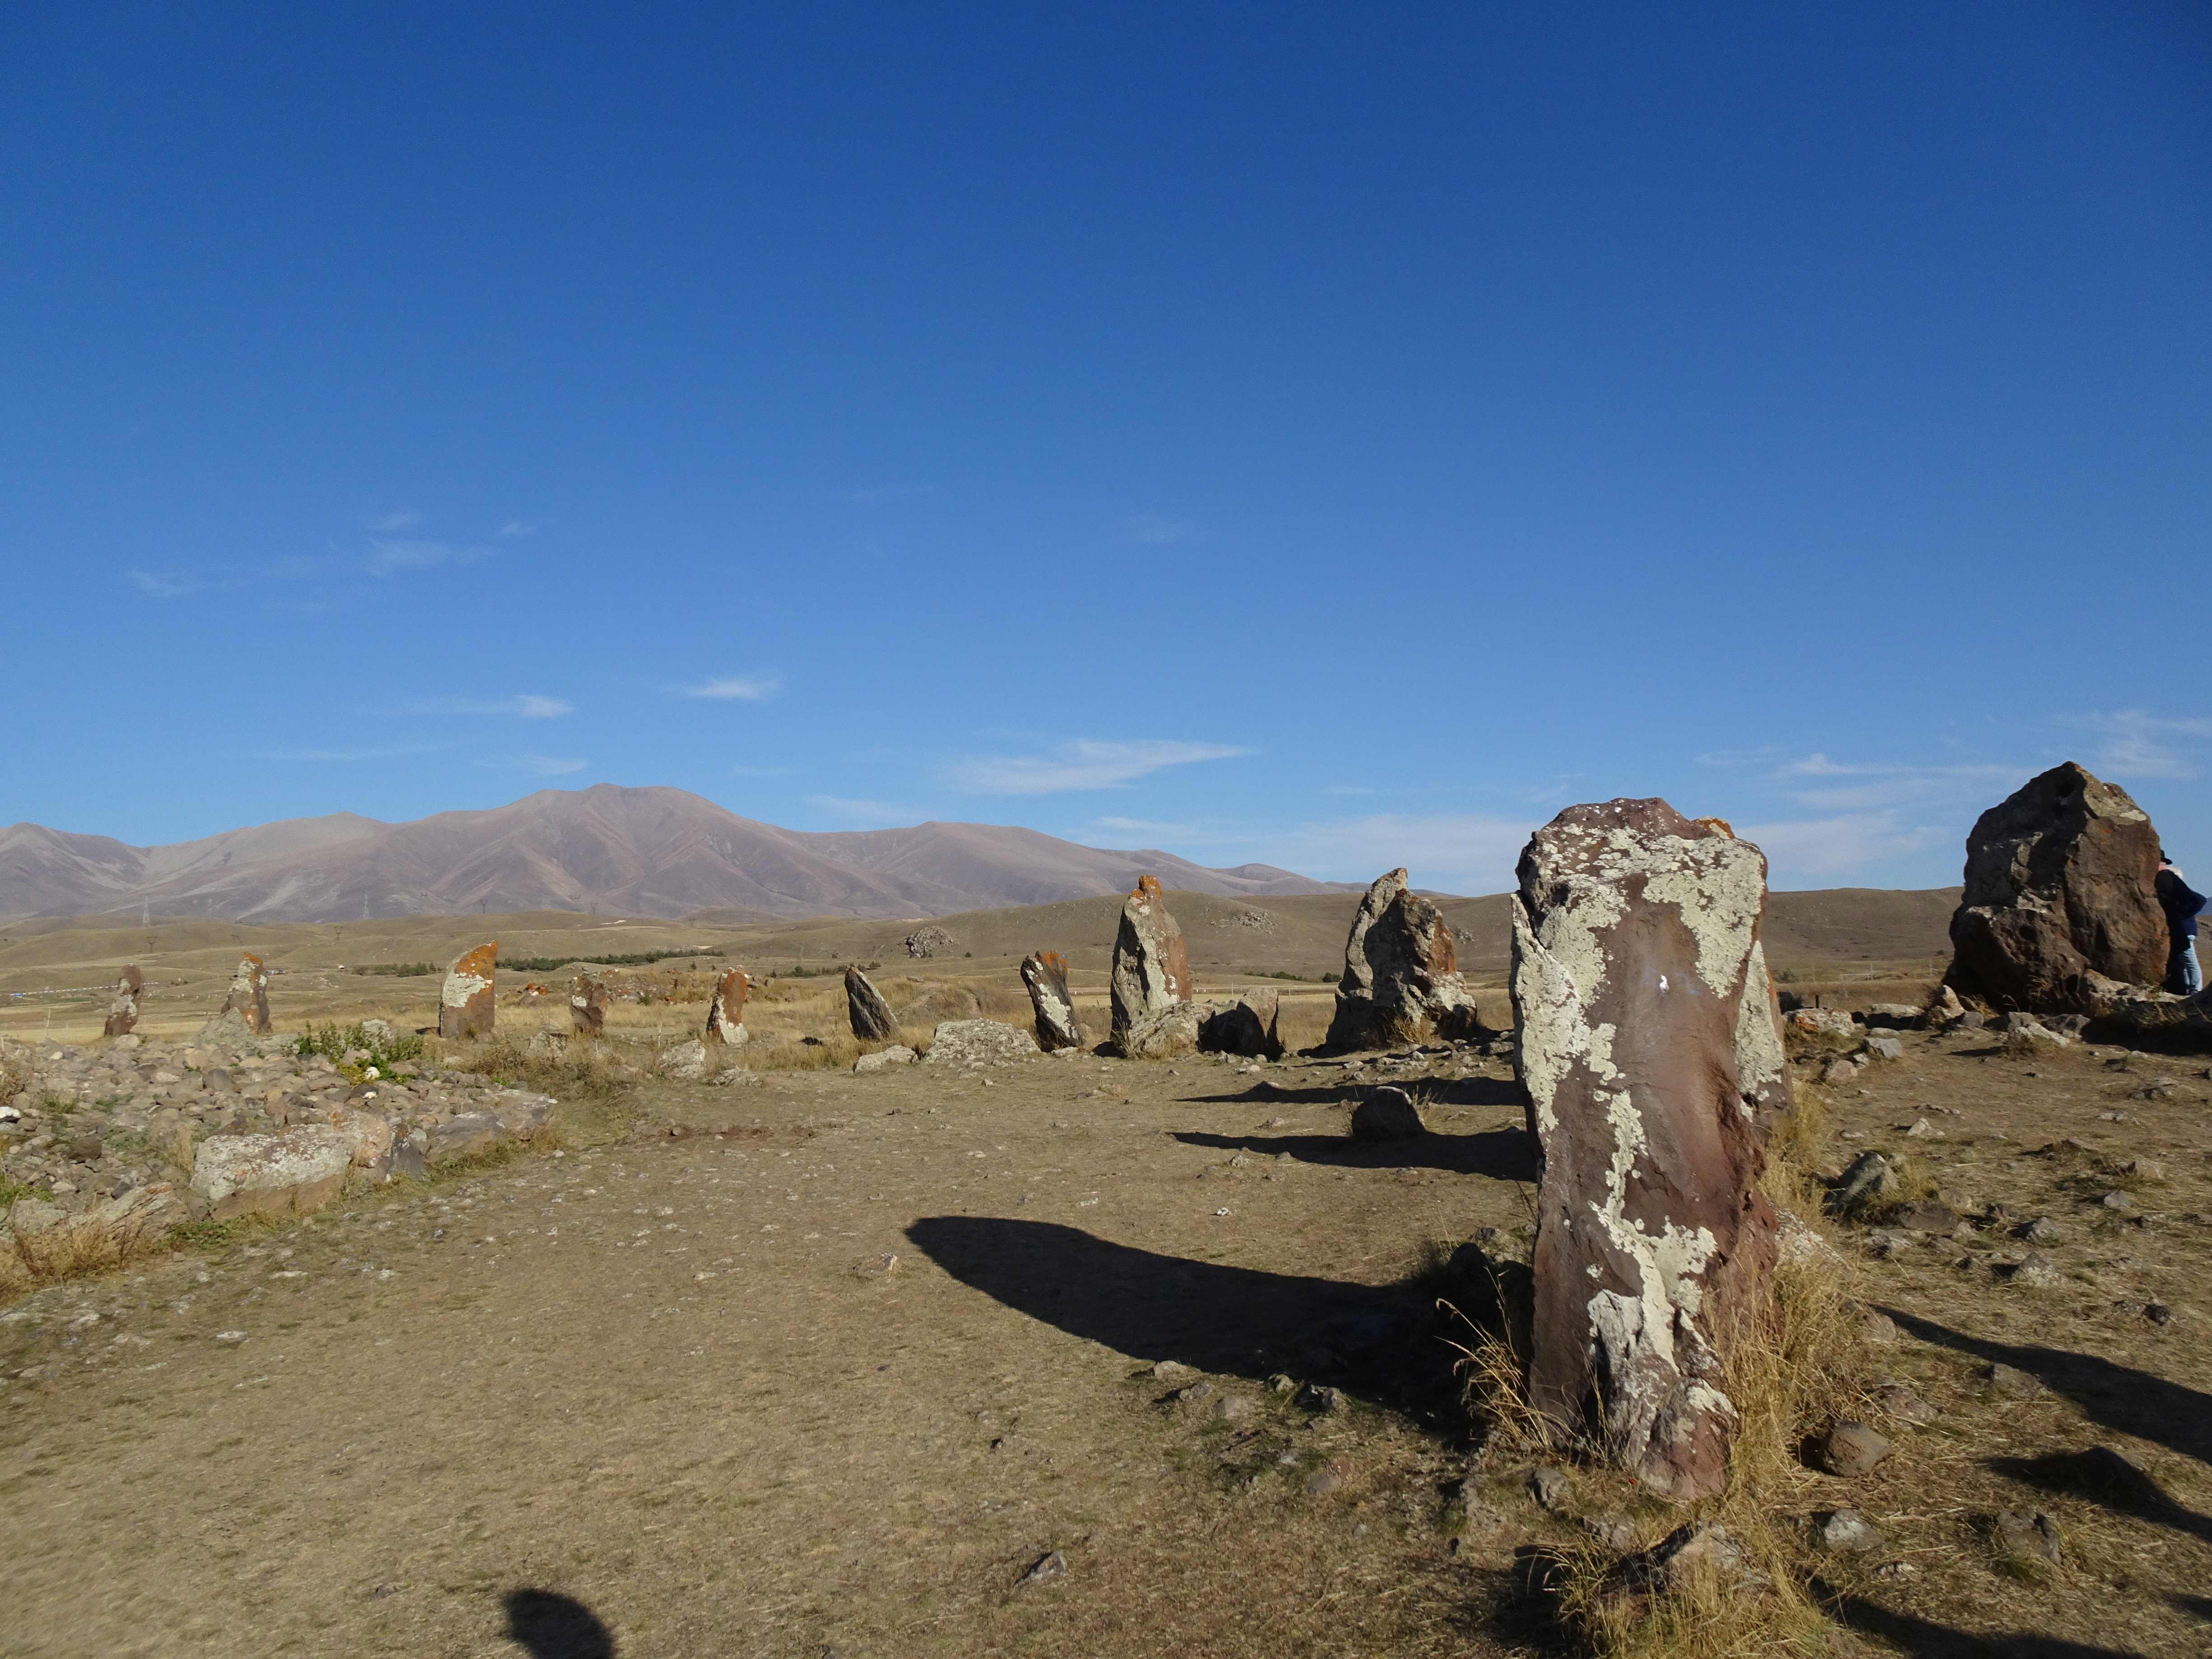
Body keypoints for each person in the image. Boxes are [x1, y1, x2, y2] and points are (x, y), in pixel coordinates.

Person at [2155, 850, 2205, 996]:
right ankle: (2187, 990)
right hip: (2180, 929)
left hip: (2183, 930)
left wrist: (2181, 915)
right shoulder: (2165, 879)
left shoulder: (2168, 879)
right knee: (2182, 963)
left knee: (2189, 961)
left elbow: (2199, 900)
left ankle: (2196, 991)